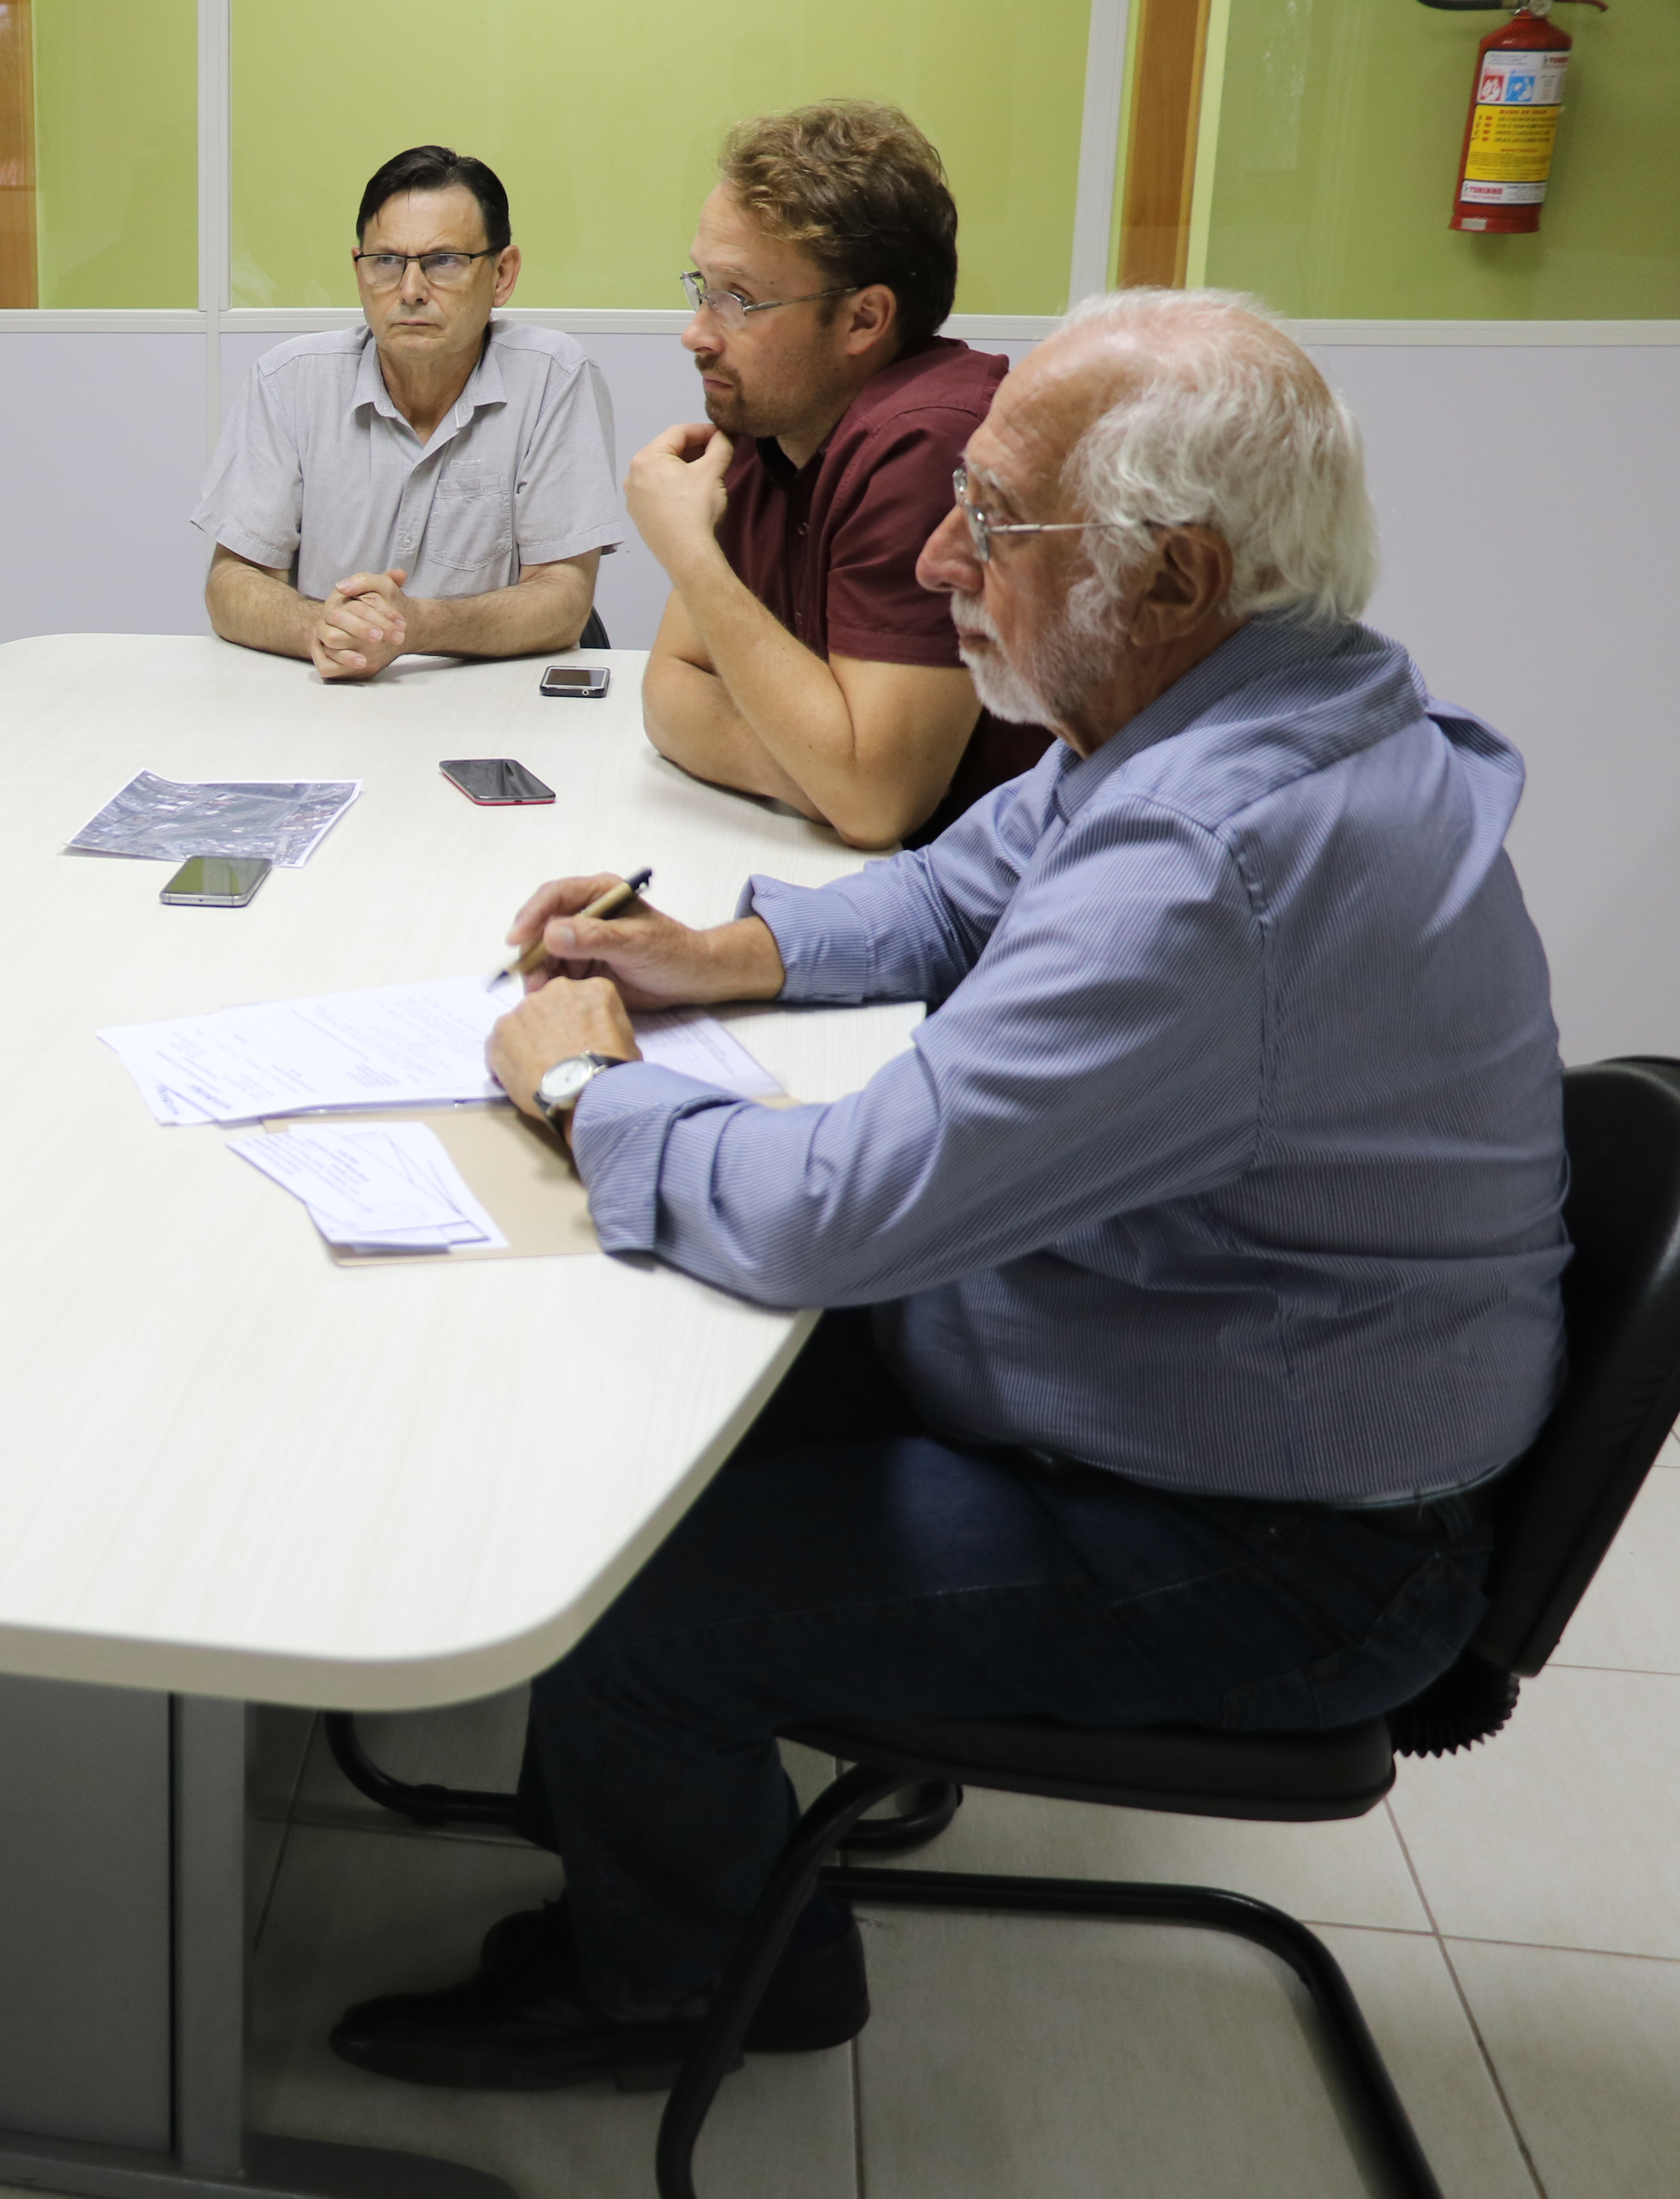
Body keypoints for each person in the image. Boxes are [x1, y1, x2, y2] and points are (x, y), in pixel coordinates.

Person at [329, 291, 1568, 2089]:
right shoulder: (1242, 702)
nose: (933, 556)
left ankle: (696, 1973)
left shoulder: (1220, 856)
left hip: (1283, 1551)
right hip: (1184, 1400)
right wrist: (712, 954)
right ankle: (647, 1833)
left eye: (994, 523)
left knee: (630, 1592)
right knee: (620, 1406)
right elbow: (941, 902)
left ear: (1174, 572)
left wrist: (590, 1083)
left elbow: (845, 1208)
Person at [634, 101, 1049, 850]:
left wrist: (688, 551)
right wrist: (825, 769)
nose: (697, 332)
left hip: (1020, 916)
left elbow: (875, 804)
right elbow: (668, 695)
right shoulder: (772, 424)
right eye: (703, 287)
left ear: (864, 320)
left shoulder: (934, 447)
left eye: (740, 300)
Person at [196, 145, 622, 682]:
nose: (411, 291)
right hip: (332, 694)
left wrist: (415, 625)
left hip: (487, 696)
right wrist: (324, 630)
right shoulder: (289, 380)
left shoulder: (554, 378)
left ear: (503, 275)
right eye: (387, 263)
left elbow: (563, 599)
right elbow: (232, 584)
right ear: (359, 270)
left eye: (444, 262)